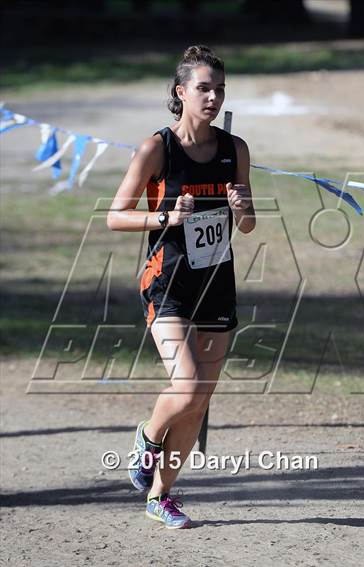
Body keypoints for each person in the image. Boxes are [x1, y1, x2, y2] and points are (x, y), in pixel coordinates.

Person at [107, 45, 256, 529]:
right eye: (203, 88)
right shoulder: (157, 149)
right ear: (181, 92)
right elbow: (115, 216)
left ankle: (161, 496)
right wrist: (165, 216)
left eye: (219, 89)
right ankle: (148, 438)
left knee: (200, 398)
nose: (212, 97)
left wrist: (240, 206)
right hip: (166, 282)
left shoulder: (235, 150)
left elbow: (249, 224)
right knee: (188, 385)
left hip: (217, 282)